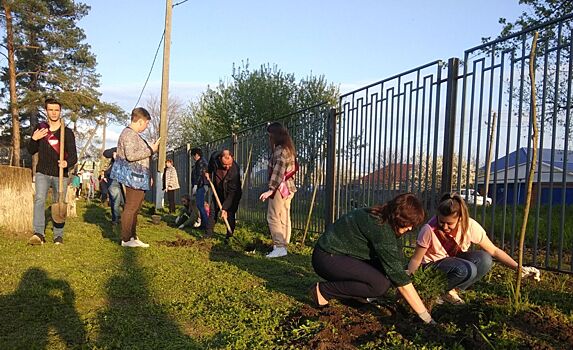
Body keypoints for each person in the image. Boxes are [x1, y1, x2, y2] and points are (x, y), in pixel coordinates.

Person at [310, 193, 436, 324]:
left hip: (343, 256)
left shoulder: (384, 219)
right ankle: (323, 291)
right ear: (398, 217)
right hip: (326, 257)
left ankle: (354, 297)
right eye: (408, 224)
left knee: (384, 277)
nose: (410, 228)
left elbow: (397, 261)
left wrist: (407, 278)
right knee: (379, 285)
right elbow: (398, 277)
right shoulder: (381, 229)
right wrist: (426, 317)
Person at [407, 192, 541, 305]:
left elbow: (494, 250)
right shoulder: (429, 230)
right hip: (432, 267)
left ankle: (450, 291)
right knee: (466, 269)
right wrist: (409, 282)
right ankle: (433, 291)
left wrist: (519, 268)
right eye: (441, 221)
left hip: (455, 263)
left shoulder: (470, 226)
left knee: (485, 259)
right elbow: (416, 259)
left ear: (460, 218)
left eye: (449, 223)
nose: (444, 226)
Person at [27, 98, 78, 245]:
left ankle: (58, 236)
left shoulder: (67, 132)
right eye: (51, 110)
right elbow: (31, 150)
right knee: (39, 200)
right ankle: (38, 233)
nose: (54, 113)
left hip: (60, 174)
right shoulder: (41, 128)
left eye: (56, 110)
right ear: (46, 111)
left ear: (60, 111)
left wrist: (66, 163)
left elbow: (73, 155)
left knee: (58, 202)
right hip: (42, 171)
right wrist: (34, 139)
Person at [110, 107, 160, 248]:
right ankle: (126, 239)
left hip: (138, 176)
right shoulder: (129, 134)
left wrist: (147, 175)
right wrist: (151, 149)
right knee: (131, 207)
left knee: (135, 208)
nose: (147, 126)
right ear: (140, 121)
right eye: (147, 123)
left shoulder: (133, 135)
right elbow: (131, 156)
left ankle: (132, 236)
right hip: (133, 176)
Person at [259, 122, 297, 258]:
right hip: (289, 187)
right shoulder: (289, 148)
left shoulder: (280, 150)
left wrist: (271, 189)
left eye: (270, 135)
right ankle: (283, 244)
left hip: (281, 188)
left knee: (273, 216)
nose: (269, 138)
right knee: (284, 216)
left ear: (275, 135)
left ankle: (279, 247)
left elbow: (279, 169)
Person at [205, 149, 242, 241]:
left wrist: (225, 208)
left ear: (232, 158)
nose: (227, 167)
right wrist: (208, 172)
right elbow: (210, 164)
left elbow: (232, 193)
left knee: (230, 214)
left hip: (232, 195)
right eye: (225, 164)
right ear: (220, 158)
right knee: (213, 210)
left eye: (229, 164)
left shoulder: (235, 171)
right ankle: (208, 234)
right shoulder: (215, 157)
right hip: (218, 191)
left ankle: (229, 236)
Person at [103, 147, 123, 225]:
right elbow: (105, 153)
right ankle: (116, 219)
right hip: (114, 177)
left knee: (127, 201)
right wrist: (114, 153)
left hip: (127, 178)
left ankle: (128, 219)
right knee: (115, 199)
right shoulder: (118, 149)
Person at [191, 148, 209, 229]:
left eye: (193, 156)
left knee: (200, 205)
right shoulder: (199, 162)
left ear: (197, 155)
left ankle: (206, 224)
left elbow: (200, 175)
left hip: (201, 185)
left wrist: (195, 185)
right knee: (199, 205)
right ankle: (203, 224)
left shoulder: (201, 163)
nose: (193, 158)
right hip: (200, 185)